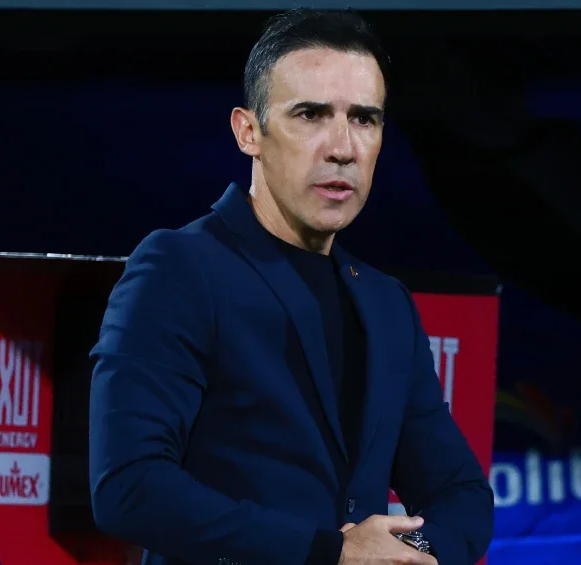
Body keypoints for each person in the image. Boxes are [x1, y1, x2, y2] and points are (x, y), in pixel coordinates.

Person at [88, 8, 493, 565]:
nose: (342, 148)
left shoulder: (386, 303)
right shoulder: (180, 267)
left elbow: (462, 495)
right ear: (248, 132)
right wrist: (329, 553)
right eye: (311, 114)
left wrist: (402, 553)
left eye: (364, 119)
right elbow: (129, 487)